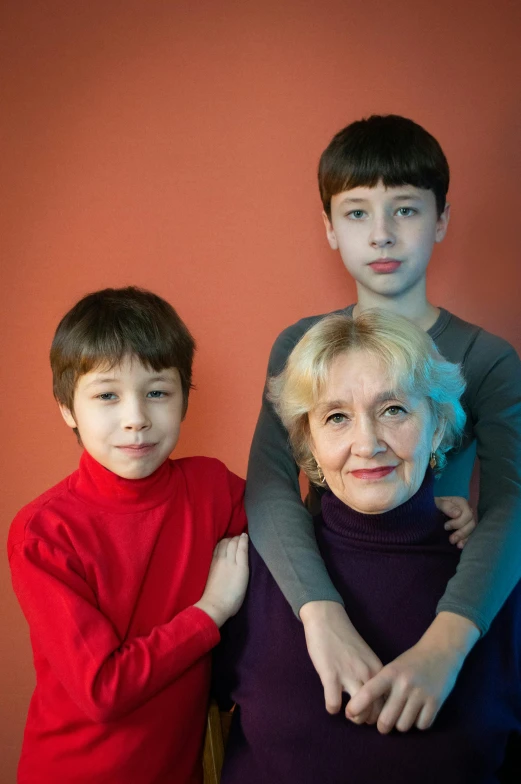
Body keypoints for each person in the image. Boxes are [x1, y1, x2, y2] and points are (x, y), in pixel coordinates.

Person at [245, 115, 521, 729]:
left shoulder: (489, 358)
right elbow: (267, 487)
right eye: (356, 213)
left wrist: (444, 648)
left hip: (438, 594)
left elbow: (512, 505)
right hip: (323, 581)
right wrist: (322, 613)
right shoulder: (299, 345)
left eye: (405, 210)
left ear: (442, 218)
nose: (382, 236)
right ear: (330, 229)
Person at [215, 311, 521, 784]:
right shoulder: (248, 572)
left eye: (393, 409)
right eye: (337, 417)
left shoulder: (499, 583)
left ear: (438, 428)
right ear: (310, 445)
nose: (367, 443)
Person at [7, 287, 249, 784]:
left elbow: (301, 526)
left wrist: (423, 505)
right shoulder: (43, 532)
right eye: (106, 396)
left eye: (157, 392)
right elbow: (103, 688)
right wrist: (210, 611)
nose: (136, 418)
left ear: (185, 397)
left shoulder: (211, 488)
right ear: (67, 408)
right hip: (74, 772)